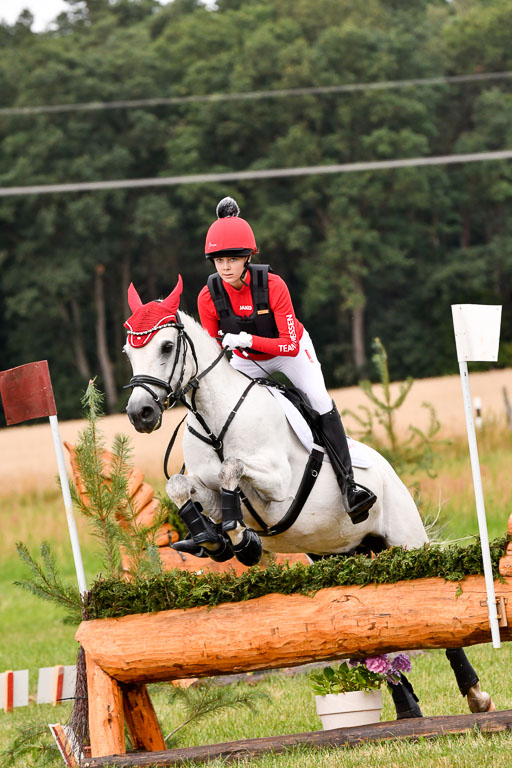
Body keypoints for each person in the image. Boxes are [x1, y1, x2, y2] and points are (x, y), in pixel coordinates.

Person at [197, 196, 376, 524]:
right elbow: (213, 351)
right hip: (245, 360)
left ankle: (349, 487)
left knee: (319, 400)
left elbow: (290, 345)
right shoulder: (208, 297)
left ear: (248, 257)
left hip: (289, 353)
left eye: (233, 258)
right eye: (219, 259)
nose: (225, 266)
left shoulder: (273, 286)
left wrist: (248, 339)